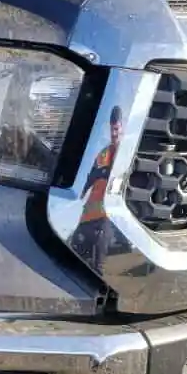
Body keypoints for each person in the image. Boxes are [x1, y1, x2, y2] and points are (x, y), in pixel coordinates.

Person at [72, 105, 123, 269]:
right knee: (76, 261)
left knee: (99, 266)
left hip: (106, 217)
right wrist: (80, 194)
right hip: (87, 218)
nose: (114, 133)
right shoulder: (104, 153)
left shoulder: (125, 153)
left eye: (116, 129)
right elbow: (91, 177)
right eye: (112, 129)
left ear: (122, 128)